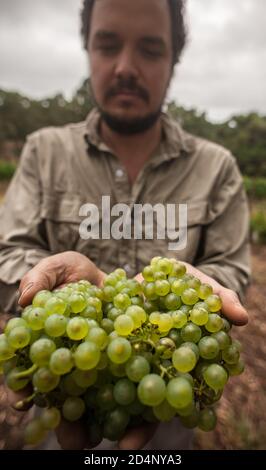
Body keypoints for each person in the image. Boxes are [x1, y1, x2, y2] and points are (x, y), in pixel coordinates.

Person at [0, 0, 250, 450]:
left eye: (151, 50)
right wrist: (40, 293)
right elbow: (8, 250)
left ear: (174, 59)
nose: (125, 67)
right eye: (108, 45)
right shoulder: (43, 152)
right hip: (64, 389)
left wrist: (209, 295)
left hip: (168, 402)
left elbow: (230, 272)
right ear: (87, 49)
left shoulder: (218, 168)